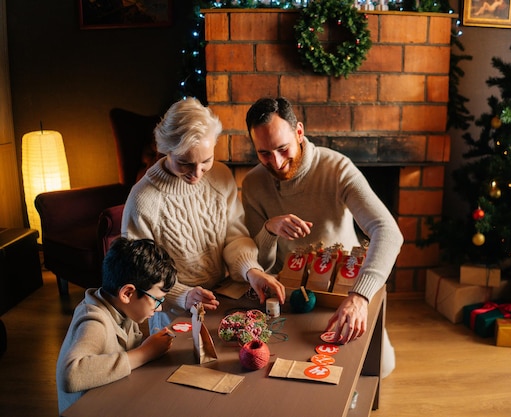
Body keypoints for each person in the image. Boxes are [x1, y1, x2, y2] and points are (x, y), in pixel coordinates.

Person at [241, 97, 403, 376]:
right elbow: (261, 265)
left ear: (299, 132)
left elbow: (388, 231)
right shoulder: (253, 183)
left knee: (381, 367)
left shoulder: (337, 168)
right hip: (289, 293)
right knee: (287, 368)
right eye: (265, 153)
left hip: (344, 289)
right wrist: (269, 229)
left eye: (283, 148)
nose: (277, 163)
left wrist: (360, 297)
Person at [121, 97, 285, 332]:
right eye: (185, 163)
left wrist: (252, 270)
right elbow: (139, 274)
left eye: (206, 160)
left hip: (222, 298)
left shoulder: (220, 177)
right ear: (166, 150)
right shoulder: (143, 200)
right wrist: (183, 295)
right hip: (174, 314)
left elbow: (234, 237)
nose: (197, 174)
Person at [56, 237, 177, 414]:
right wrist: (145, 352)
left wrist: (150, 344)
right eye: (156, 300)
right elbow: (69, 375)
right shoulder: (94, 321)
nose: (159, 308)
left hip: (115, 399)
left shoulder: (123, 310)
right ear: (127, 293)